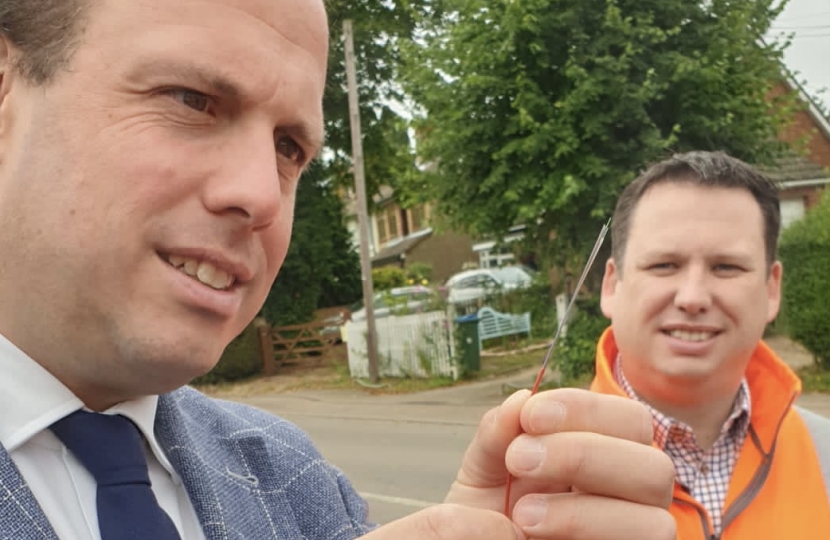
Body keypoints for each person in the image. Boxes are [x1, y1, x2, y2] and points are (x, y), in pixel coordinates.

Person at [0, 1, 677, 539]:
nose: (263, 194)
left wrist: (495, 526)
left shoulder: (290, 479)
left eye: (290, 147)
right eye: (192, 99)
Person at [594, 150, 830, 538]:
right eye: (664, 265)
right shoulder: (536, 477)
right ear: (611, 285)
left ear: (772, 289)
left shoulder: (824, 456)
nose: (693, 297)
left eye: (726, 267)